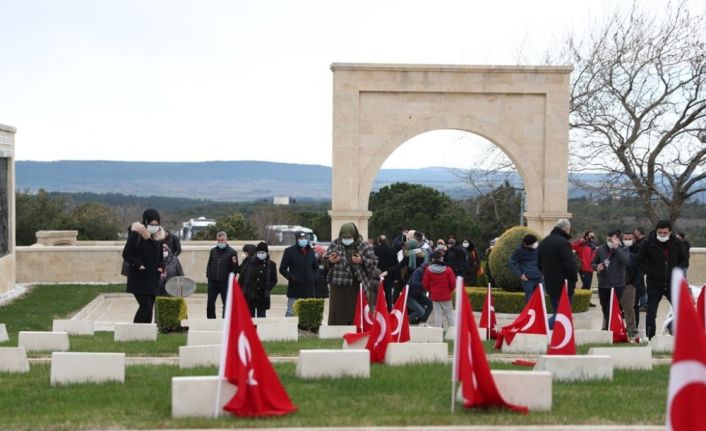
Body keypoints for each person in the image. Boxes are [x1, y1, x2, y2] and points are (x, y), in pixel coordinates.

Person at [636, 220, 689, 339]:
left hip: (672, 284)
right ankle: (651, 338)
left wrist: (677, 272)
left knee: (682, 310)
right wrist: (649, 272)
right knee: (651, 312)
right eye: (660, 233)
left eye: (665, 233)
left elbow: (684, 260)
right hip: (654, 283)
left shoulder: (677, 243)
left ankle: (685, 336)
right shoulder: (648, 243)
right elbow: (639, 261)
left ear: (670, 232)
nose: (662, 235)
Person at [323, 223, 379, 325]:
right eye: (344, 237)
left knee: (357, 310)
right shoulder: (335, 244)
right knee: (338, 311)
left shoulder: (363, 245)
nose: (346, 239)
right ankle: (337, 330)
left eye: (349, 237)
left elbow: (374, 261)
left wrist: (362, 260)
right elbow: (324, 260)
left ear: (354, 235)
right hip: (338, 286)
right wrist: (330, 261)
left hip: (357, 285)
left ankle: (358, 328)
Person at [122, 208, 165, 323]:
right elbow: (126, 254)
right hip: (139, 278)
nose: (154, 226)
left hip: (153, 278)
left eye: (157, 224)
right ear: (145, 222)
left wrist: (161, 267)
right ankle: (135, 331)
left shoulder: (158, 237)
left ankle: (146, 334)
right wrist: (138, 264)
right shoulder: (135, 235)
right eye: (152, 224)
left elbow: (161, 256)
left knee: (150, 308)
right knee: (145, 306)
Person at [537, 219, 578, 329]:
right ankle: (541, 328)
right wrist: (575, 277)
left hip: (550, 283)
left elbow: (539, 264)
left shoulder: (544, 242)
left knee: (557, 311)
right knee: (563, 314)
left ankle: (555, 337)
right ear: (566, 229)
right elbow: (569, 264)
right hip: (564, 284)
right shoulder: (564, 243)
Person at [592, 230, 630, 330]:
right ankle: (609, 325)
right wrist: (597, 267)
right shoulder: (600, 249)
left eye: (612, 240)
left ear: (618, 239)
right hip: (603, 284)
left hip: (618, 284)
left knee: (611, 307)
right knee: (604, 307)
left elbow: (626, 261)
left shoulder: (624, 249)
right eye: (608, 239)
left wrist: (617, 248)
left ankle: (610, 329)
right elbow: (593, 264)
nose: (610, 242)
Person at [279, 231, 318, 317]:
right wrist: (293, 278)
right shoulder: (289, 251)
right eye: (301, 239)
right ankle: (289, 329)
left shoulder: (311, 251)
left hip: (309, 289)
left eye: (305, 238)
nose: (303, 240)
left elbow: (315, 267)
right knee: (291, 312)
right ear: (297, 240)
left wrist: (313, 277)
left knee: (309, 314)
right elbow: (282, 269)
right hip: (295, 288)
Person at [205, 231, 239, 319]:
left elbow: (234, 268)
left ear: (226, 240)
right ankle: (211, 320)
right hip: (213, 282)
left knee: (226, 303)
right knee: (210, 302)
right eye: (219, 240)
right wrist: (209, 275)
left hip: (225, 282)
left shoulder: (232, 252)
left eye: (222, 240)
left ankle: (225, 321)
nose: (220, 242)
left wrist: (230, 280)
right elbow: (209, 264)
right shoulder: (213, 251)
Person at [240, 242, 277, 318]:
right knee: (250, 317)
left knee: (261, 317)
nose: (261, 254)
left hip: (262, 295)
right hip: (250, 294)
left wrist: (268, 287)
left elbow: (274, 279)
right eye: (259, 252)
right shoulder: (249, 262)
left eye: (263, 252)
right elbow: (242, 276)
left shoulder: (271, 265)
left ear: (266, 253)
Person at [422, 251, 456, 329]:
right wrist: (449, 291)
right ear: (441, 258)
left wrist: (431, 290)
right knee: (449, 314)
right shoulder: (448, 270)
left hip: (435, 295)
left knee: (437, 314)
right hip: (446, 295)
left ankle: (438, 332)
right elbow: (453, 284)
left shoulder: (428, 270)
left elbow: (424, 283)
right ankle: (452, 331)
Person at [508, 234, 542, 303]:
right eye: (533, 244)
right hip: (528, 280)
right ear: (527, 245)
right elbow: (511, 263)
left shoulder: (538, 248)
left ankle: (539, 313)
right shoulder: (519, 251)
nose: (536, 244)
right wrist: (520, 275)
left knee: (541, 299)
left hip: (539, 278)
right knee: (530, 300)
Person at [621, 231, 639, 339]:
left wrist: (634, 284)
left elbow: (639, 270)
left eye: (629, 238)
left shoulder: (637, 252)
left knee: (630, 308)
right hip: (617, 284)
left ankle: (631, 329)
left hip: (630, 284)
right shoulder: (618, 251)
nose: (627, 241)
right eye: (625, 238)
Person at [572, 230, 597, 307]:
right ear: (586, 236)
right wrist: (580, 241)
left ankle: (586, 301)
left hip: (590, 268)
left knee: (588, 285)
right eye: (590, 235)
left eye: (593, 235)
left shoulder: (593, 246)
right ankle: (581, 301)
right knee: (586, 284)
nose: (592, 237)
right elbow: (572, 246)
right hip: (583, 268)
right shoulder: (582, 245)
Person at [373, 235, 398, 311]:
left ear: (378, 241)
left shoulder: (374, 250)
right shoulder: (392, 250)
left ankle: (378, 309)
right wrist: (396, 277)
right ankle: (389, 309)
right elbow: (396, 264)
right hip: (388, 275)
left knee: (377, 293)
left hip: (377, 275)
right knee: (388, 294)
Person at [406, 261, 433, 325]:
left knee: (431, 303)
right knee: (421, 312)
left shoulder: (430, 273)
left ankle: (422, 322)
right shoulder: (419, 271)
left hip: (418, 294)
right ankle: (403, 322)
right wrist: (426, 285)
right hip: (409, 295)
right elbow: (414, 283)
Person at [633, 226, 648, 312]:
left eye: (635, 232)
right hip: (639, 267)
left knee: (641, 286)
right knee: (640, 285)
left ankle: (644, 304)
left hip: (641, 267)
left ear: (639, 232)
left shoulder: (643, 242)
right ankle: (642, 303)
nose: (634, 233)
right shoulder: (638, 242)